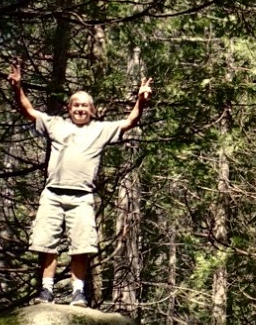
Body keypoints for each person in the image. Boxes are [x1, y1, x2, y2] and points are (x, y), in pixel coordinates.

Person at [9, 61, 153, 305]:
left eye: (85, 106)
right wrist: (17, 88)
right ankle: (46, 291)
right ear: (69, 108)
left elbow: (130, 122)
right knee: (47, 243)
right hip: (53, 193)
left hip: (82, 196)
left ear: (92, 110)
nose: (80, 109)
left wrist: (141, 101)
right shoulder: (56, 125)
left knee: (81, 245)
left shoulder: (100, 130)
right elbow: (29, 112)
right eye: (76, 105)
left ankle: (78, 292)